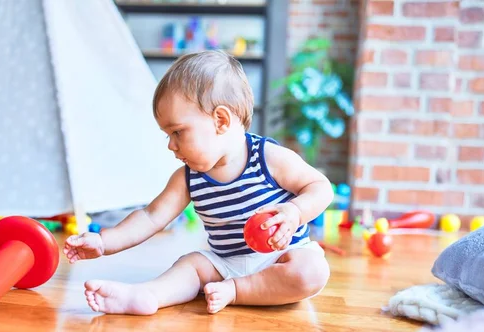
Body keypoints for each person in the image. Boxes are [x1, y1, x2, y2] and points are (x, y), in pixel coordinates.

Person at [64, 50, 332, 315]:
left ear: (221, 120)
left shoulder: (269, 158)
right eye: (167, 135)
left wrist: (294, 212)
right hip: (224, 265)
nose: (170, 144)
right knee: (190, 265)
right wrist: (103, 241)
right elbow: (150, 216)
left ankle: (237, 291)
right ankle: (148, 295)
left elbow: (321, 188)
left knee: (311, 271)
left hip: (281, 258)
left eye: (177, 131)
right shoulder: (188, 178)